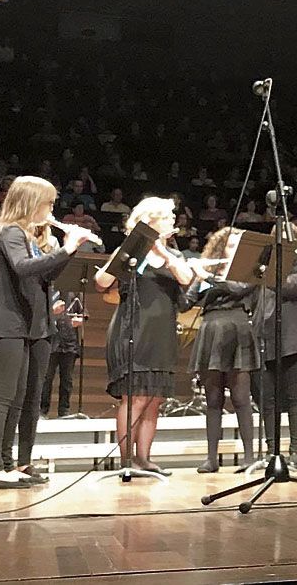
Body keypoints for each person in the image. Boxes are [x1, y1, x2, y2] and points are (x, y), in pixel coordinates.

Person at [0, 176, 88, 489]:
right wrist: (68, 248)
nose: (51, 209)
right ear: (31, 202)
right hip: (4, 323)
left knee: (18, 399)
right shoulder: (9, 232)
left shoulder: (29, 238)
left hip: (22, 324)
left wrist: (68, 251)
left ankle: (9, 464)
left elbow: (44, 274)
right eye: (48, 203)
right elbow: (22, 268)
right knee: (2, 398)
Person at [94, 197, 195, 475]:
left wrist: (164, 253)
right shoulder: (130, 251)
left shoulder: (173, 255)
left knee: (154, 399)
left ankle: (144, 459)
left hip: (161, 332)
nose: (173, 222)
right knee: (135, 396)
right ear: (150, 221)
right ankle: (126, 461)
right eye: (168, 217)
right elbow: (102, 282)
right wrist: (123, 259)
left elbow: (186, 279)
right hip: (133, 328)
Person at [184, 227, 260, 473]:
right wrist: (181, 273)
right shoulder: (208, 271)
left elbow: (238, 289)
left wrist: (206, 276)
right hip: (211, 329)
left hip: (237, 327)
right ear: (220, 247)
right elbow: (185, 303)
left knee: (240, 398)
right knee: (213, 400)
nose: (236, 248)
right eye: (231, 244)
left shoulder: (248, 270)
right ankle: (211, 458)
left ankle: (249, 456)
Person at [255, 222, 297, 468]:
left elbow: (289, 288)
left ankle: (296, 452)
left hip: (293, 341)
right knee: (267, 400)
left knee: (294, 398)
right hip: (265, 338)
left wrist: (266, 272)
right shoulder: (264, 269)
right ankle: (272, 451)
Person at [40, 294, 82, 418]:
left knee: (67, 380)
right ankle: (42, 410)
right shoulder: (48, 292)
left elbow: (83, 314)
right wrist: (52, 312)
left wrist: (79, 320)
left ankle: (64, 411)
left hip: (69, 342)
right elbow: (38, 315)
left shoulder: (74, 295)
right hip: (51, 342)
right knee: (46, 378)